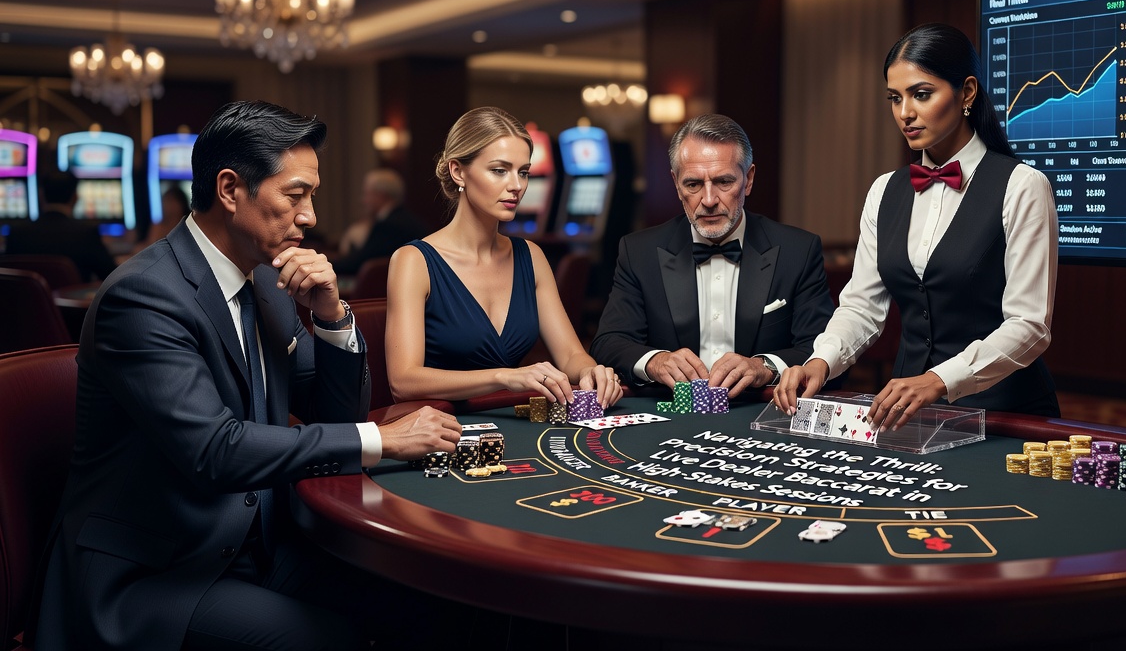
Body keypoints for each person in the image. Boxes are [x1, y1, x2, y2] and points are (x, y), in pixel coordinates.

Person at [33, 100, 464, 651]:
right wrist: (385, 439)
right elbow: (215, 451)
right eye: (296, 194)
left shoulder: (267, 284)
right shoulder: (143, 296)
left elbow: (333, 417)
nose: (310, 215)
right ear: (231, 189)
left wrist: (332, 318)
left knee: (429, 599)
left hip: (254, 546)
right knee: (332, 640)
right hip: (158, 574)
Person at [776, 23, 1060, 425]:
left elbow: (1029, 325)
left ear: (966, 92)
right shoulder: (884, 190)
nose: (905, 112)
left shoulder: (1023, 186)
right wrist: (821, 360)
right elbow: (862, 306)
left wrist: (938, 380)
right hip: (907, 415)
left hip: (1005, 412)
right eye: (895, 98)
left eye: (921, 94)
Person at [385, 106, 621, 408]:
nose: (517, 186)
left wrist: (591, 371)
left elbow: (571, 355)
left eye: (523, 172)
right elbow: (403, 381)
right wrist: (504, 377)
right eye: (499, 170)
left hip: (513, 423)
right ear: (458, 171)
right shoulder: (413, 261)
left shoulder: (530, 257)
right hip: (441, 432)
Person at [590, 113, 835, 397]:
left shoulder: (798, 250)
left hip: (761, 411)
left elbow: (822, 349)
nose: (708, 200)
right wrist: (655, 362)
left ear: (749, 179)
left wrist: (764, 366)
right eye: (693, 184)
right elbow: (608, 342)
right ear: (675, 183)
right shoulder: (638, 251)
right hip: (671, 416)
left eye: (723, 182)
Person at [6, 168, 118, 281]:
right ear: (75, 198)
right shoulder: (86, 233)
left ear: (41, 196)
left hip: (28, 298)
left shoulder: (16, 233)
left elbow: (7, 278)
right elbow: (111, 276)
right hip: (71, 298)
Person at [332, 168, 430, 276]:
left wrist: (326, 265)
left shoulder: (389, 226)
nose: (363, 200)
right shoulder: (406, 219)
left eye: (367, 194)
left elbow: (359, 263)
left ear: (381, 195)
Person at [135, 184, 192, 251]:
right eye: (165, 201)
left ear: (181, 204)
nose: (167, 205)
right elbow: (149, 246)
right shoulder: (158, 226)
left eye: (171, 201)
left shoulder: (188, 226)